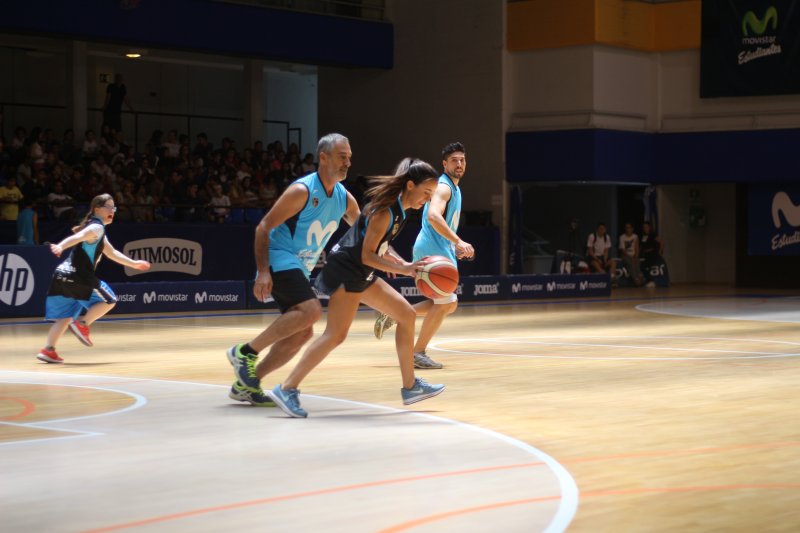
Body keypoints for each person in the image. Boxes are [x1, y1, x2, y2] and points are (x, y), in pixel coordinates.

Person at [268, 158, 446, 418]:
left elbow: (378, 248)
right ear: (410, 185)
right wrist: (406, 269)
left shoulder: (400, 210)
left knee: (406, 314)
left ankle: (410, 387)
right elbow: (366, 255)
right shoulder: (386, 212)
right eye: (427, 192)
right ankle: (287, 388)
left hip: (360, 271)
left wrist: (399, 262)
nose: (429, 199)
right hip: (347, 270)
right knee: (335, 335)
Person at [225, 133, 360, 407]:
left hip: (300, 266)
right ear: (324, 158)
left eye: (349, 157)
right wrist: (263, 271)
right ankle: (245, 352)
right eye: (341, 157)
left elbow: (368, 233)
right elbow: (263, 227)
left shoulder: (345, 199)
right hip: (280, 257)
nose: (347, 163)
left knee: (303, 332)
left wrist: (398, 261)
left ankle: (247, 384)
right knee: (312, 311)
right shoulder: (302, 190)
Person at [374, 142, 474, 370]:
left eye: (462, 160)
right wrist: (458, 241)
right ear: (445, 164)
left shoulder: (455, 188)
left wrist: (453, 245)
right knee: (446, 303)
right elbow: (433, 216)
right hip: (431, 247)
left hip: (439, 247)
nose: (459, 164)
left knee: (448, 304)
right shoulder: (444, 187)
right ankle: (417, 353)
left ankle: (393, 314)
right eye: (454, 160)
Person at [37, 194, 151, 364]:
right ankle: (83, 324)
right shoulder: (96, 228)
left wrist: (134, 264)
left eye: (114, 207)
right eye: (108, 207)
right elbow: (77, 237)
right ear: (97, 209)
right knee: (110, 300)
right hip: (78, 276)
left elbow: (111, 253)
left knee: (65, 317)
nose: (112, 210)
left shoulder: (98, 231)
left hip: (62, 275)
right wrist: (61, 245)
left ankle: (48, 350)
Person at [618, 222, 645, 286]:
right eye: (626, 228)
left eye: (629, 228)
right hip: (625, 255)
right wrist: (630, 257)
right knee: (630, 263)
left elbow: (637, 247)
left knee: (637, 262)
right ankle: (635, 278)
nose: (628, 229)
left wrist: (636, 256)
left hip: (634, 255)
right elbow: (623, 250)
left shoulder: (635, 236)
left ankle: (641, 276)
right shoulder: (622, 237)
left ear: (632, 229)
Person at [640, 221, 665, 288]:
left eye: (646, 227)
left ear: (649, 227)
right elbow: (642, 246)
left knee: (643, 266)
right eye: (644, 227)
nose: (645, 229)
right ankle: (648, 280)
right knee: (643, 266)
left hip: (652, 254)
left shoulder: (653, 234)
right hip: (646, 255)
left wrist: (660, 251)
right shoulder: (644, 236)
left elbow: (661, 242)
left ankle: (652, 281)